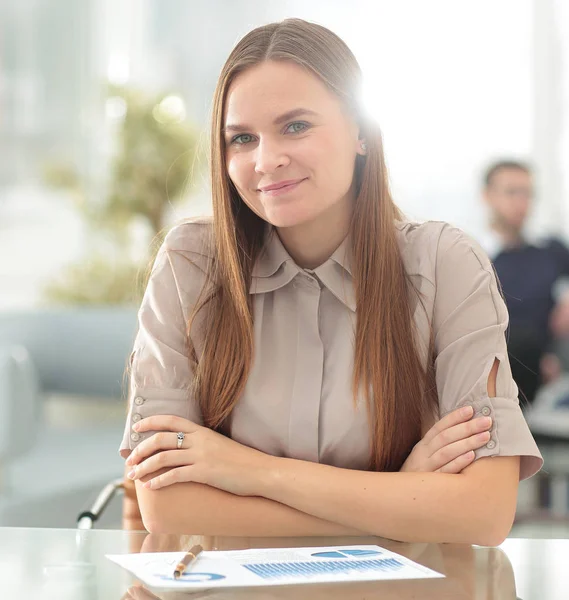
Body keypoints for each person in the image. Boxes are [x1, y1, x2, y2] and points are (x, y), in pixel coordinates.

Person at [119, 19, 542, 545]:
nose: (266, 159)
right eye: (242, 138)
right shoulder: (191, 265)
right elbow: (169, 507)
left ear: (361, 131)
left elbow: (483, 512)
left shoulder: (443, 263)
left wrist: (245, 471)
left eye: (295, 126)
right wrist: (400, 497)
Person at [480, 160, 569, 405]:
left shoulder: (550, 249)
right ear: (487, 196)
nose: (522, 202)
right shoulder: (476, 258)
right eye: (511, 192)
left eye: (527, 193)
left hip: (546, 359)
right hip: (497, 362)